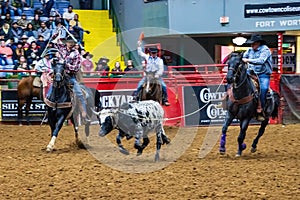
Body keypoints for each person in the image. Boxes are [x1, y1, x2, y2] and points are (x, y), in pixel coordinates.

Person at [52, 35, 90, 122]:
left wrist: (66, 65)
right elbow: (55, 43)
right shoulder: (62, 49)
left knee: (79, 93)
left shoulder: (76, 53)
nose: (70, 43)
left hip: (70, 76)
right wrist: (56, 34)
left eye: (71, 42)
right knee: (51, 88)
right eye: (69, 42)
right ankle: (50, 109)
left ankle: (84, 112)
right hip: (60, 75)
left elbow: (76, 67)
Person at [242, 34, 272, 121]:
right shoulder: (250, 50)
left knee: (263, 89)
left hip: (263, 74)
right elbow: (243, 56)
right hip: (251, 73)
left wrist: (247, 60)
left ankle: (261, 109)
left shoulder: (265, 50)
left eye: (253, 43)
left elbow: (261, 61)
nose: (252, 45)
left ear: (258, 43)